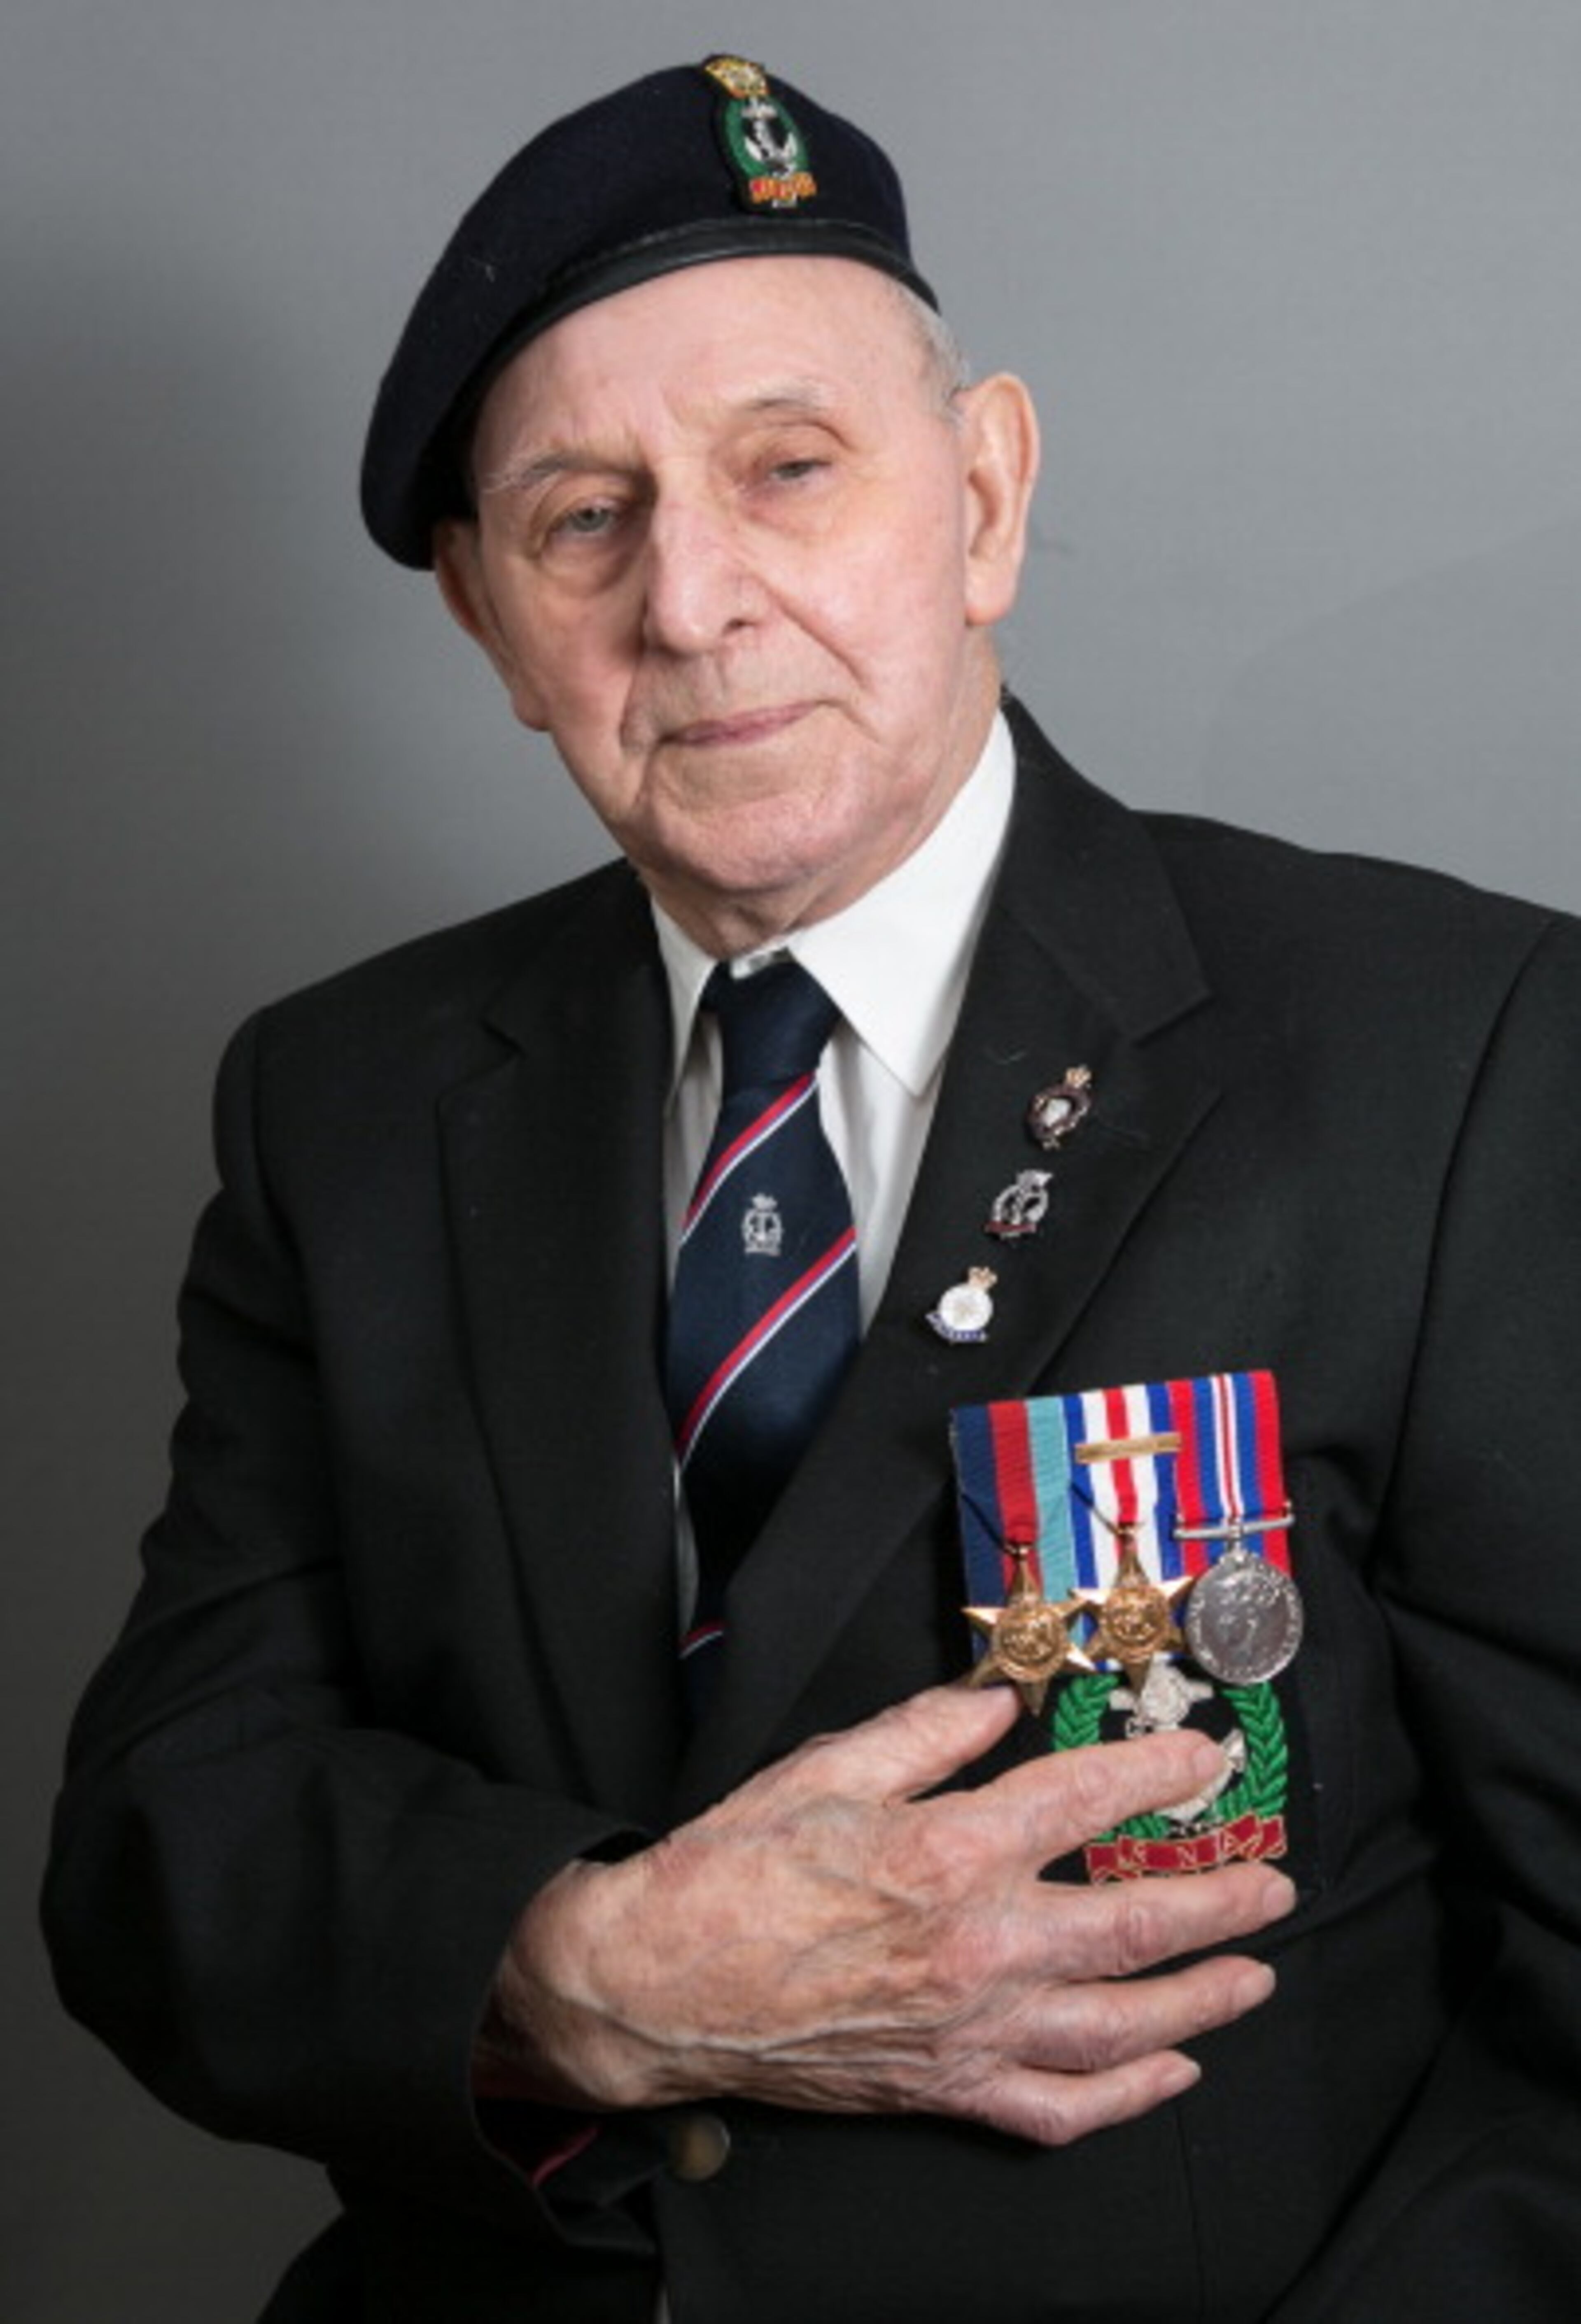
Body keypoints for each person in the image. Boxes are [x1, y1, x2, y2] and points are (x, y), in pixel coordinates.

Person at [42, 54, 1581, 2324]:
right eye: (583, 518)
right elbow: (164, 1840)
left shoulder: (1444, 1048)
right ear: (484, 622)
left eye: (789, 468)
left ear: (982, 500)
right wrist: (579, 1968)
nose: (694, 599)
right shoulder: (346, 1102)